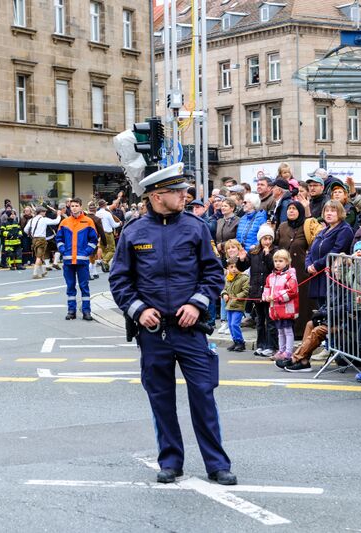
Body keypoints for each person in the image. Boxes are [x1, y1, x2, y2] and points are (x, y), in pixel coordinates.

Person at [109, 162, 236, 486]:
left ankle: (217, 464)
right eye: (177, 192)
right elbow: (120, 280)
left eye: (184, 190)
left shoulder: (195, 227)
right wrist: (137, 310)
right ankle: (170, 461)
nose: (185, 195)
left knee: (203, 396)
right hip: (153, 332)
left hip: (189, 329)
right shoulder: (134, 232)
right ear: (156, 196)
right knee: (161, 399)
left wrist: (197, 304)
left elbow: (213, 273)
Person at [305, 200, 355, 309]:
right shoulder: (323, 231)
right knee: (320, 311)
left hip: (331, 278)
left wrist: (317, 265)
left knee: (330, 312)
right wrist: (308, 265)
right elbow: (310, 251)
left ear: (340, 213)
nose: (328, 213)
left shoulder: (344, 230)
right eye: (326, 210)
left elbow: (336, 250)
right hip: (317, 276)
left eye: (333, 211)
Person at [237, 225, 277, 357]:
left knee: (270, 320)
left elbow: (274, 267)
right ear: (260, 239)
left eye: (270, 238)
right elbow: (243, 267)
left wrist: (267, 255)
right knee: (260, 320)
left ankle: (272, 346)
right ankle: (261, 344)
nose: (267, 241)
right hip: (256, 290)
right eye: (265, 238)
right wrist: (241, 259)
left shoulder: (275, 251)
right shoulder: (253, 252)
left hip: (269, 291)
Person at [55, 197, 98, 320]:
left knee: (84, 286)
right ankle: (71, 311)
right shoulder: (64, 222)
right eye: (72, 206)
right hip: (68, 261)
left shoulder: (88, 221)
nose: (74, 208)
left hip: (82, 260)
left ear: (80, 206)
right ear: (70, 207)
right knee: (70, 287)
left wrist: (86, 252)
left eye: (76, 205)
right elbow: (59, 239)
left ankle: (86, 311)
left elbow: (93, 240)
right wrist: (63, 250)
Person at [276, 200, 311, 338]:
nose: (291, 211)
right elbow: (276, 243)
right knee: (286, 300)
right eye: (289, 208)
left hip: (301, 270)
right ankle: (289, 331)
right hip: (284, 270)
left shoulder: (306, 226)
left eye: (294, 209)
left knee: (302, 301)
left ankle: (301, 331)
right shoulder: (283, 226)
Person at [262, 249, 299, 361]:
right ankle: (281, 350)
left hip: (287, 309)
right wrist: (266, 297)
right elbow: (266, 289)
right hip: (276, 309)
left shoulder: (290, 276)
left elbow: (292, 292)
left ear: (287, 262)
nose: (277, 263)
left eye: (281, 261)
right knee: (280, 331)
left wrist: (276, 296)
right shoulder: (271, 277)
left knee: (287, 330)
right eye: (276, 261)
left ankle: (288, 352)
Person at [24, 205, 62, 279]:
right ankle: (35, 273)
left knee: (39, 256)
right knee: (39, 257)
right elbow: (56, 222)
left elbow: (25, 229)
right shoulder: (44, 219)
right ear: (40, 212)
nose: (45, 213)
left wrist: (31, 234)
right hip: (41, 239)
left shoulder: (31, 220)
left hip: (34, 239)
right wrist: (59, 215)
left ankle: (43, 272)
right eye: (44, 211)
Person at [221, 259, 249, 352]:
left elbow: (246, 290)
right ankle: (235, 341)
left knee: (234, 324)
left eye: (236, 267)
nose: (234, 269)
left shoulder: (244, 278)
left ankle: (240, 342)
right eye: (231, 267)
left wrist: (237, 297)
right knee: (230, 324)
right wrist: (224, 294)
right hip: (229, 305)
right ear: (228, 268)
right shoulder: (228, 278)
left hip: (238, 305)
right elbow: (224, 288)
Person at [97, 199, 121, 270]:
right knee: (112, 250)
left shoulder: (97, 213)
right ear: (104, 205)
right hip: (108, 233)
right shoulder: (107, 214)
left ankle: (106, 267)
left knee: (104, 249)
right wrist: (120, 223)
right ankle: (105, 261)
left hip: (100, 233)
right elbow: (114, 225)